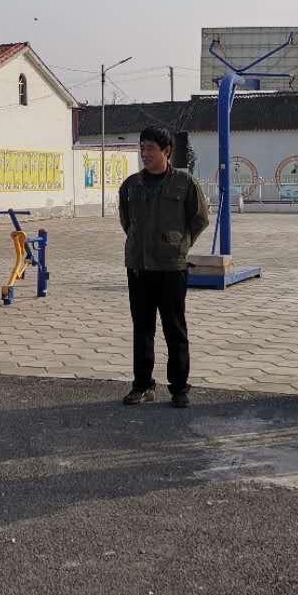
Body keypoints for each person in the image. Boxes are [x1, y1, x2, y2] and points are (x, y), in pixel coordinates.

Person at [117, 125, 209, 408]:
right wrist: (140, 245)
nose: (144, 153)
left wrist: (180, 244)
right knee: (142, 329)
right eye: (142, 148)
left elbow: (199, 218)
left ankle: (179, 387)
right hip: (139, 267)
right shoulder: (131, 185)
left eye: (150, 148)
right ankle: (143, 385)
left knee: (175, 328)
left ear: (167, 151)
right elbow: (126, 221)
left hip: (172, 268)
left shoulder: (184, 183)